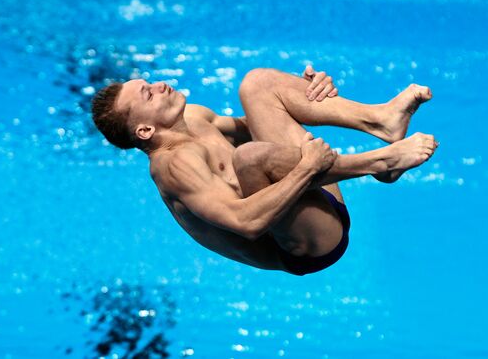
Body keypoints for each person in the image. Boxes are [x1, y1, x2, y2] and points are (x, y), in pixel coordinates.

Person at [91, 65, 438, 276]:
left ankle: (380, 121)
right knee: (249, 159)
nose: (159, 85)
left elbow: (261, 119)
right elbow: (248, 224)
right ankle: (381, 162)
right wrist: (306, 170)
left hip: (313, 196)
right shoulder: (174, 168)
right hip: (306, 244)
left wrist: (305, 93)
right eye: (148, 95)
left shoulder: (193, 116)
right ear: (145, 131)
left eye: (148, 82)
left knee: (257, 83)